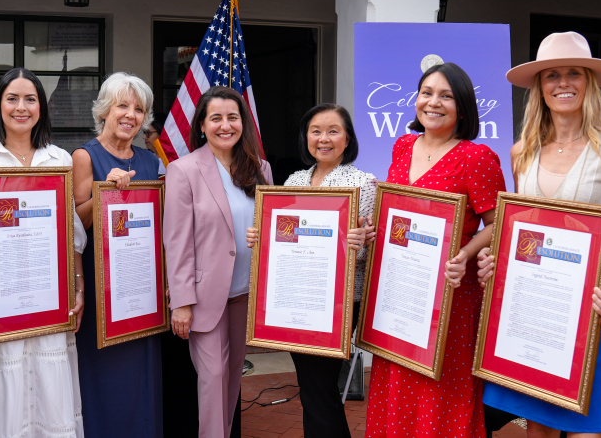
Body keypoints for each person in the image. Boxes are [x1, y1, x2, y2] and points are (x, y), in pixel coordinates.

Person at [477, 31, 601, 438]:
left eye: (573, 73)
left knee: (585, 428)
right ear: (539, 88)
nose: (562, 83)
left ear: (588, 83)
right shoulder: (523, 151)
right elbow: (523, 231)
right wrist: (497, 262)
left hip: (595, 306)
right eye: (551, 75)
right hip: (535, 305)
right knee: (537, 424)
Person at [365, 62, 507, 437]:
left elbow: (499, 224)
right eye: (427, 92)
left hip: (451, 296)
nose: (433, 102)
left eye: (446, 96)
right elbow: (397, 212)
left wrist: (464, 253)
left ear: (462, 106)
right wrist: (371, 229)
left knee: (440, 389)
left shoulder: (476, 158)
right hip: (400, 289)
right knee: (396, 377)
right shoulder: (402, 145)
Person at [0, 68, 87, 438]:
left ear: (41, 107)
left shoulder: (59, 160)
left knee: (46, 391)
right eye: (12, 98)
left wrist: (78, 286)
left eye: (30, 99)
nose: (21, 107)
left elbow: (69, 234)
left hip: (45, 298)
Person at [245, 103, 376, 437]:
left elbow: (372, 252)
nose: (324, 139)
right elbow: (283, 238)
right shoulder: (294, 180)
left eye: (333, 131)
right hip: (295, 300)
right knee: (314, 388)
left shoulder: (365, 184)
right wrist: (261, 236)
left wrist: (361, 245)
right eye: (316, 131)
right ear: (306, 137)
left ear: (348, 138)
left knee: (318, 388)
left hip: (337, 304)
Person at [164, 86, 273, 438]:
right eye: (216, 118)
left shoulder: (261, 169)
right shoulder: (184, 170)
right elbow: (176, 241)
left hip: (245, 293)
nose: (225, 125)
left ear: (243, 122)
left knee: (231, 383)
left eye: (232, 117)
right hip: (204, 297)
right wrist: (181, 302)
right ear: (202, 125)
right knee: (212, 381)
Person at [72, 72, 163, 438]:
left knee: (140, 377)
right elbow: (75, 223)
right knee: (104, 377)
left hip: (142, 288)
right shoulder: (84, 155)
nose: (130, 115)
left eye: (138, 108)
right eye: (122, 105)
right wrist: (104, 191)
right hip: (101, 289)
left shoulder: (149, 160)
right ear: (105, 110)